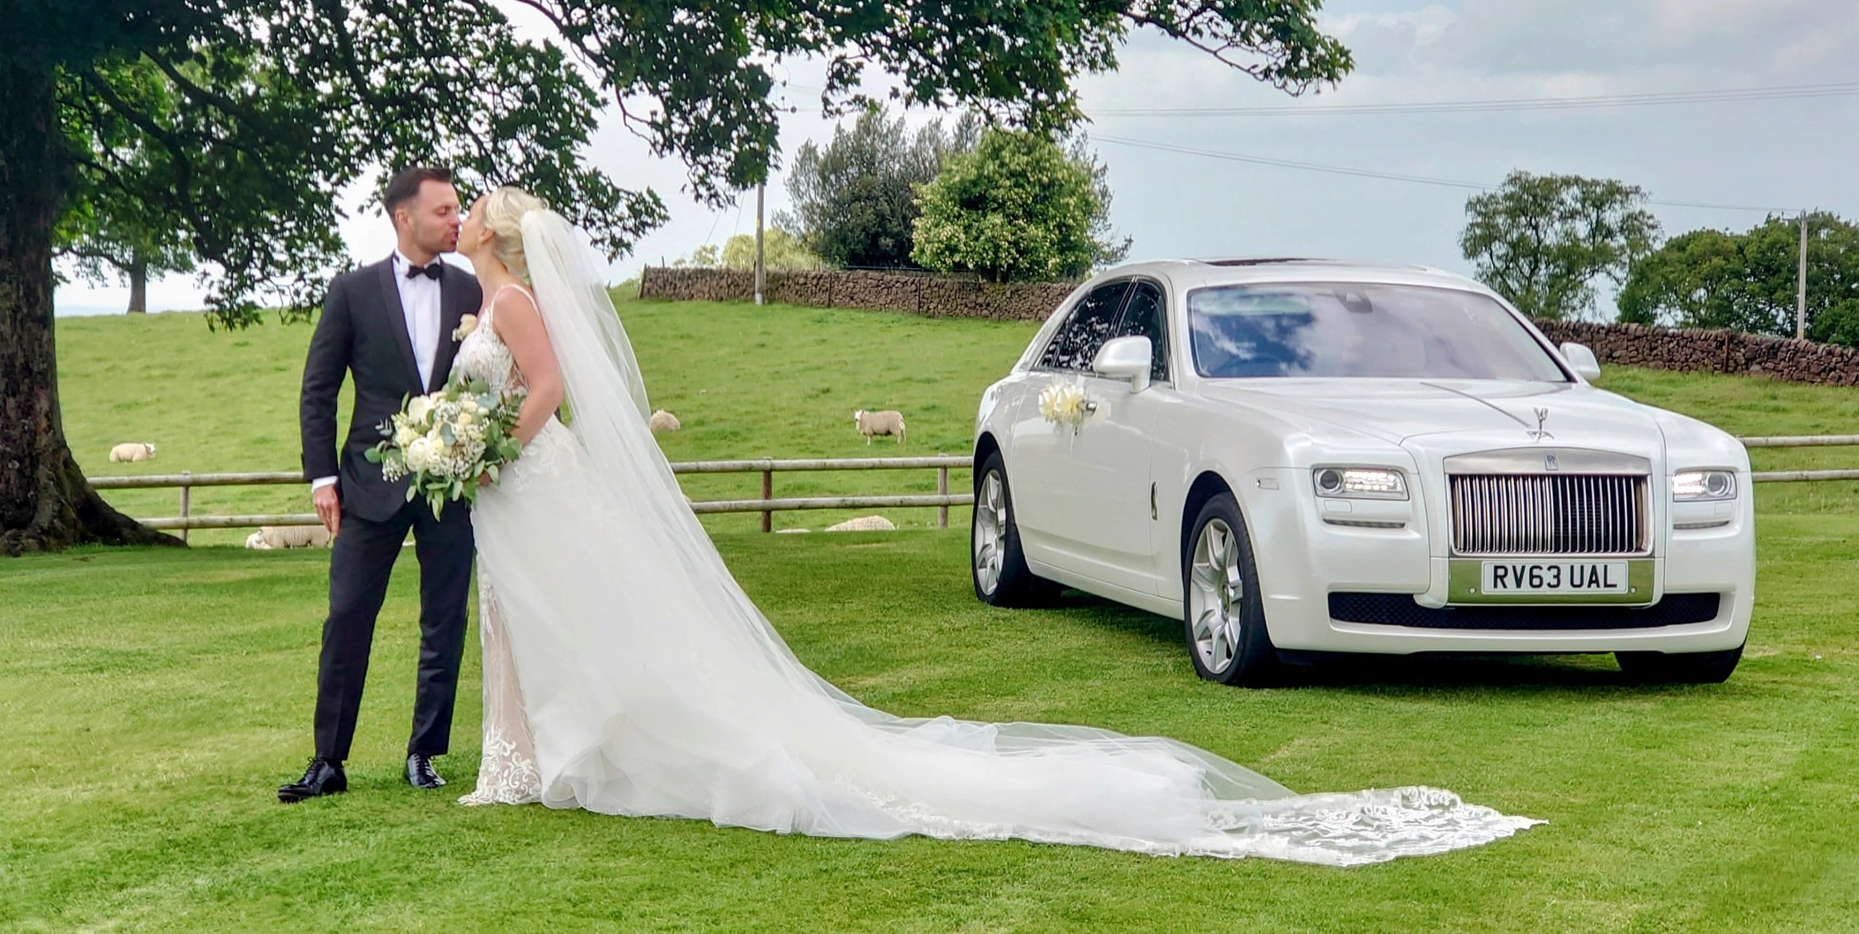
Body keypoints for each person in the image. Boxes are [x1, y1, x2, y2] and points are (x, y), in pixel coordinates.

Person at [447, 185, 1536, 865]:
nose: (456, 226)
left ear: (490, 237)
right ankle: (527, 758)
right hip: (518, 488)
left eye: (465, 215)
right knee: (532, 620)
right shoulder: (490, 302)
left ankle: (542, 758)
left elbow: (543, 393)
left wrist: (487, 441)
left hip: (529, 476)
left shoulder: (513, 306)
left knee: (567, 616)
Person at [280, 167, 484, 803]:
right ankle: (327, 761)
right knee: (347, 615)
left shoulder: (473, 289)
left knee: (444, 616)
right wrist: (322, 477)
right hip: (369, 482)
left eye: (457, 210)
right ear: (405, 218)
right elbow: (319, 390)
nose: (456, 220)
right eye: (444, 211)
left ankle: (425, 752)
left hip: (451, 483)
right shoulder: (352, 291)